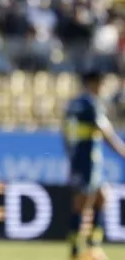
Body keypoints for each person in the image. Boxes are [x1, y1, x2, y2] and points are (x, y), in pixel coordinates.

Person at [63, 70, 125, 260]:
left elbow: (64, 131)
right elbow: (105, 132)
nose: (103, 89)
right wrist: (122, 152)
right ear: (94, 83)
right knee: (84, 203)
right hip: (87, 160)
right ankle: (77, 251)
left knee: (101, 197)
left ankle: (92, 247)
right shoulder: (91, 103)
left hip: (80, 158)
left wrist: (71, 153)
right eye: (102, 84)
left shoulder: (74, 103)